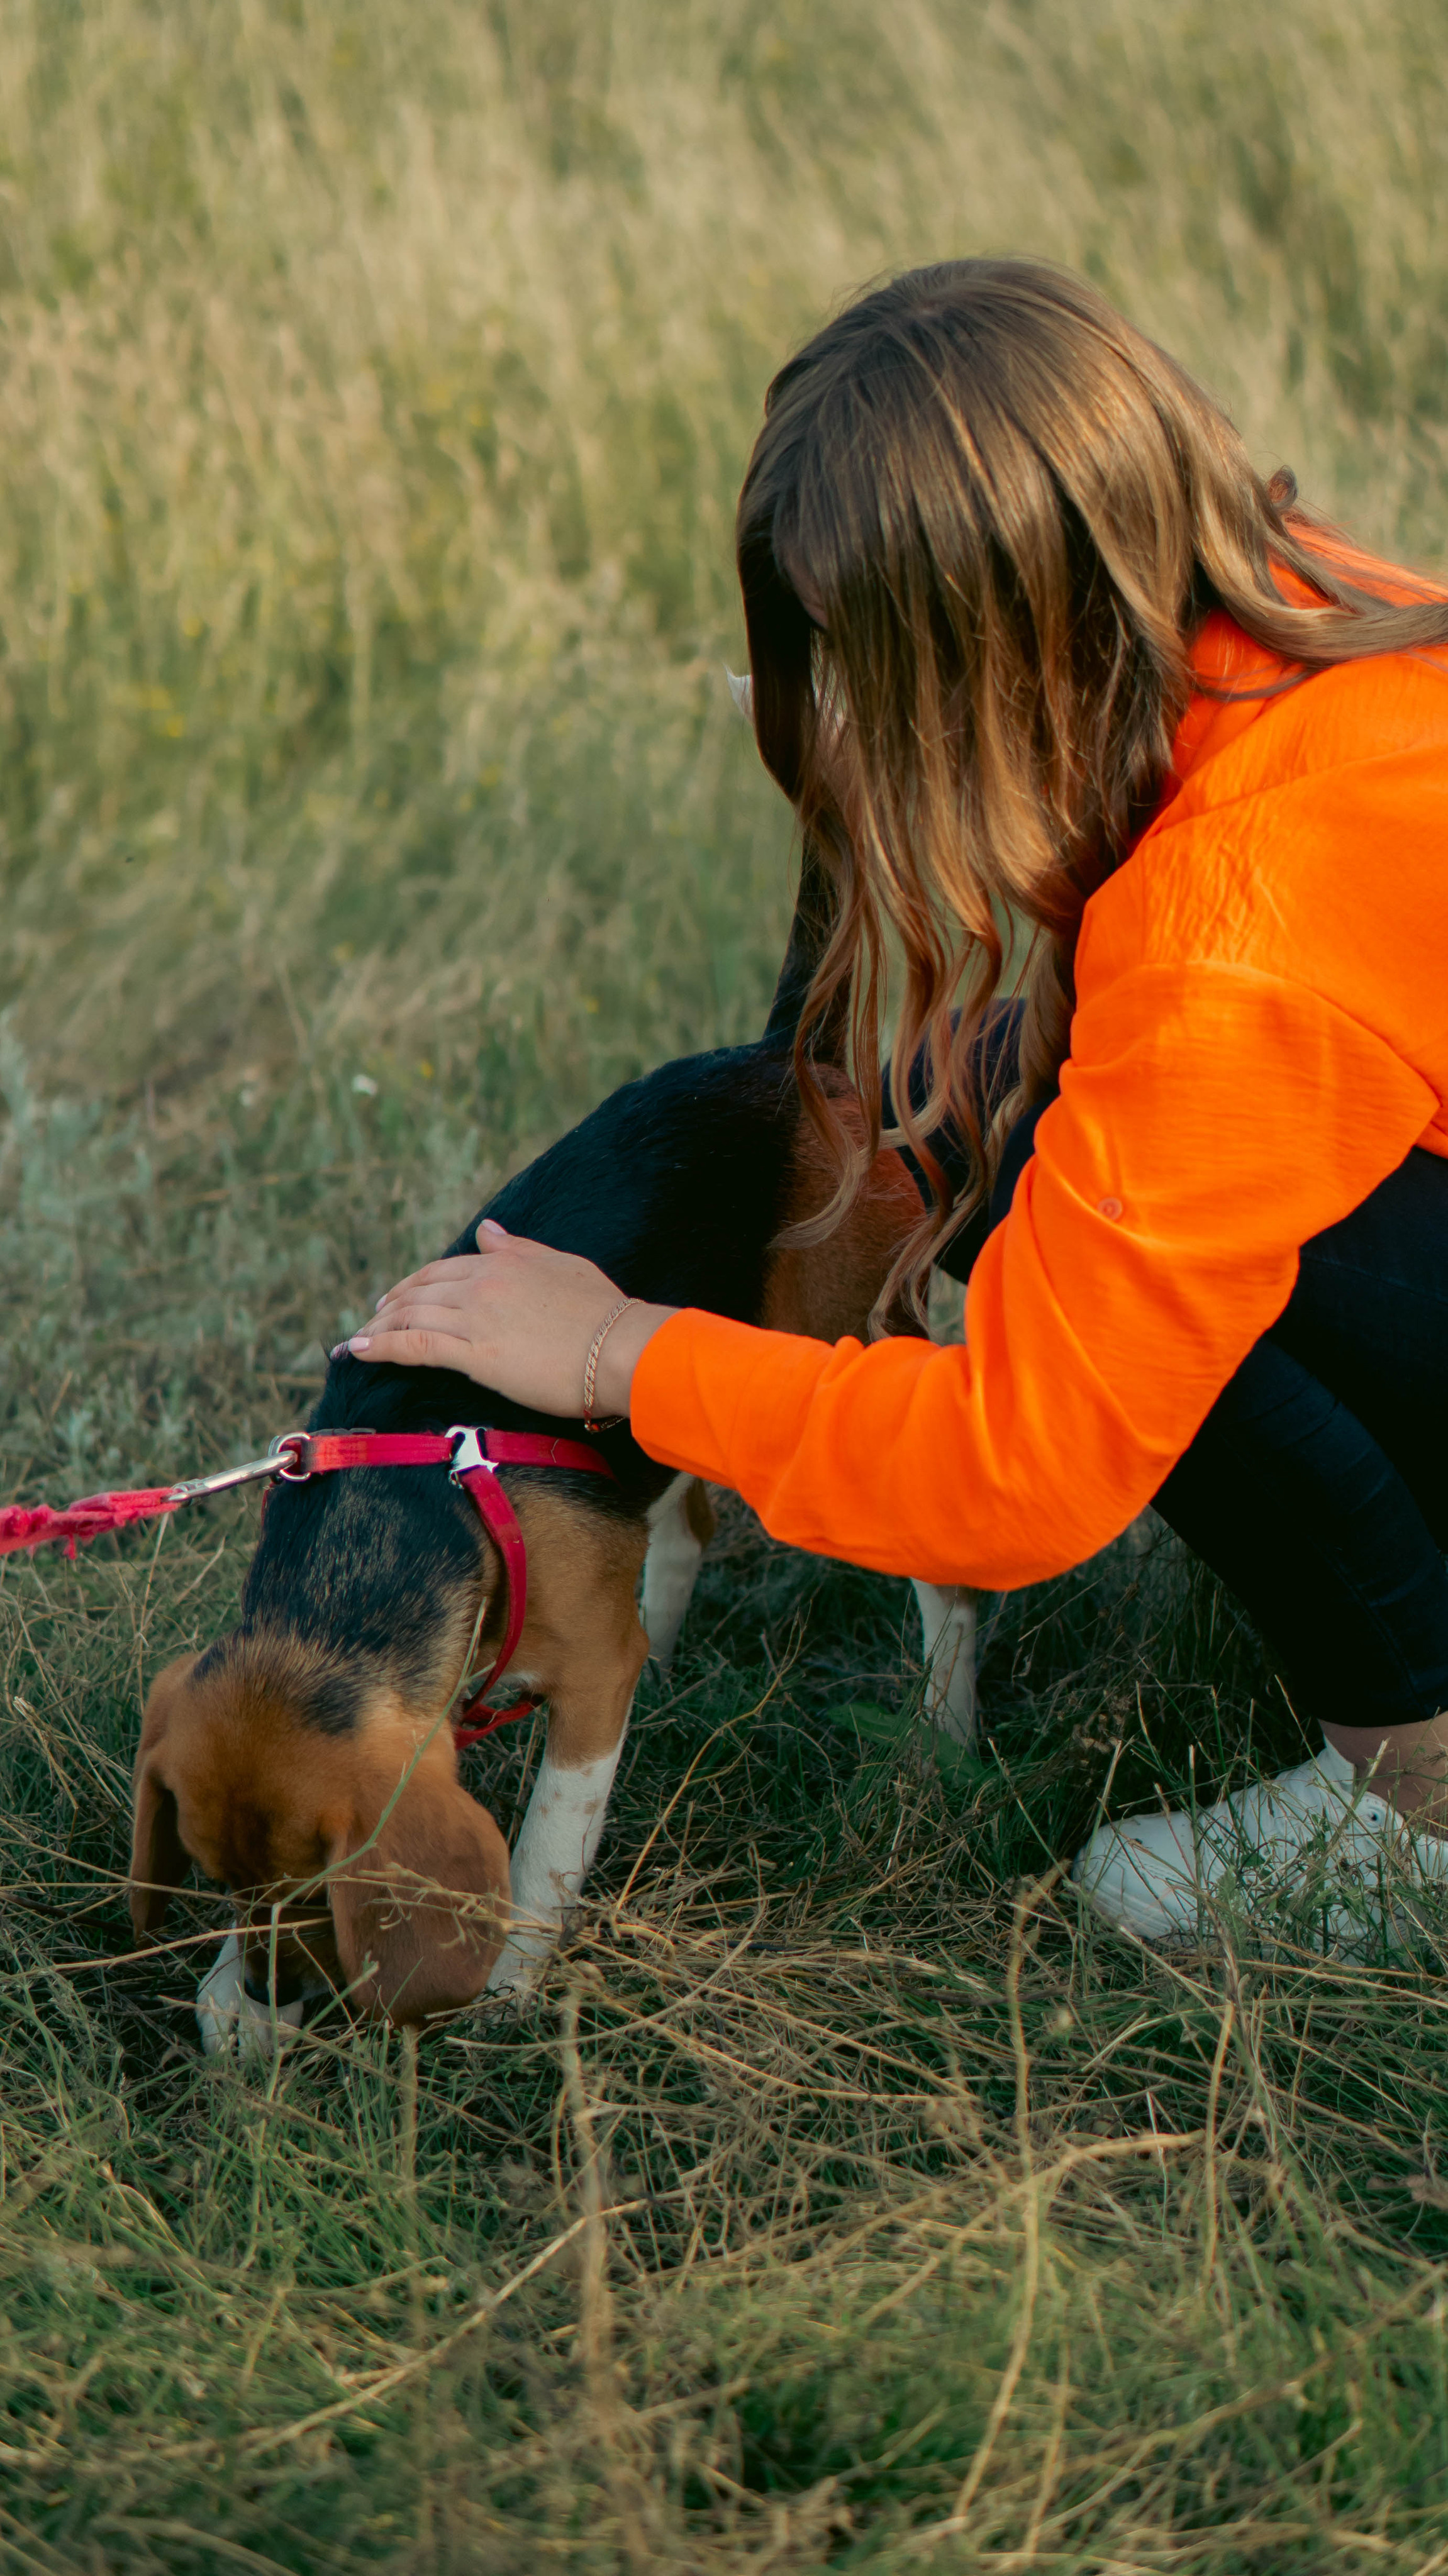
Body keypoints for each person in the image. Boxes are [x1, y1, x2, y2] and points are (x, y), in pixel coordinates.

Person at [343, 259, 1448, 1946]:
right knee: (1059, 1142)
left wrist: (613, 1354)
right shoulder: (1308, 623)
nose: (841, 724)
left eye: (865, 671)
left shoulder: (1227, 954)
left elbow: (1016, 1478)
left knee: (1083, 1221)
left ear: (991, 674)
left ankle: (1424, 1803)